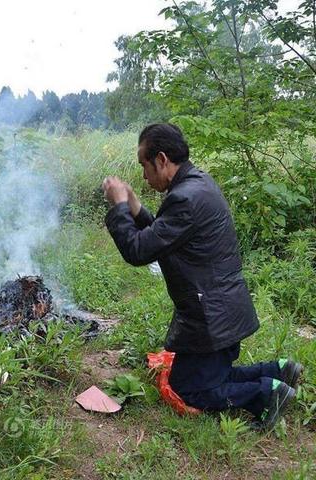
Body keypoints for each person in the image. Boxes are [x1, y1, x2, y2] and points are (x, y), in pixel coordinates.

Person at [102, 123, 301, 430]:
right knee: (207, 378)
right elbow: (163, 236)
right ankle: (280, 371)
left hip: (211, 317)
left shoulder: (185, 198)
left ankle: (267, 393)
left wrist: (118, 208)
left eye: (144, 165)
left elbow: (138, 251)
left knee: (191, 389)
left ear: (162, 160)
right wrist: (134, 206)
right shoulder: (197, 184)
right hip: (221, 308)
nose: (143, 175)